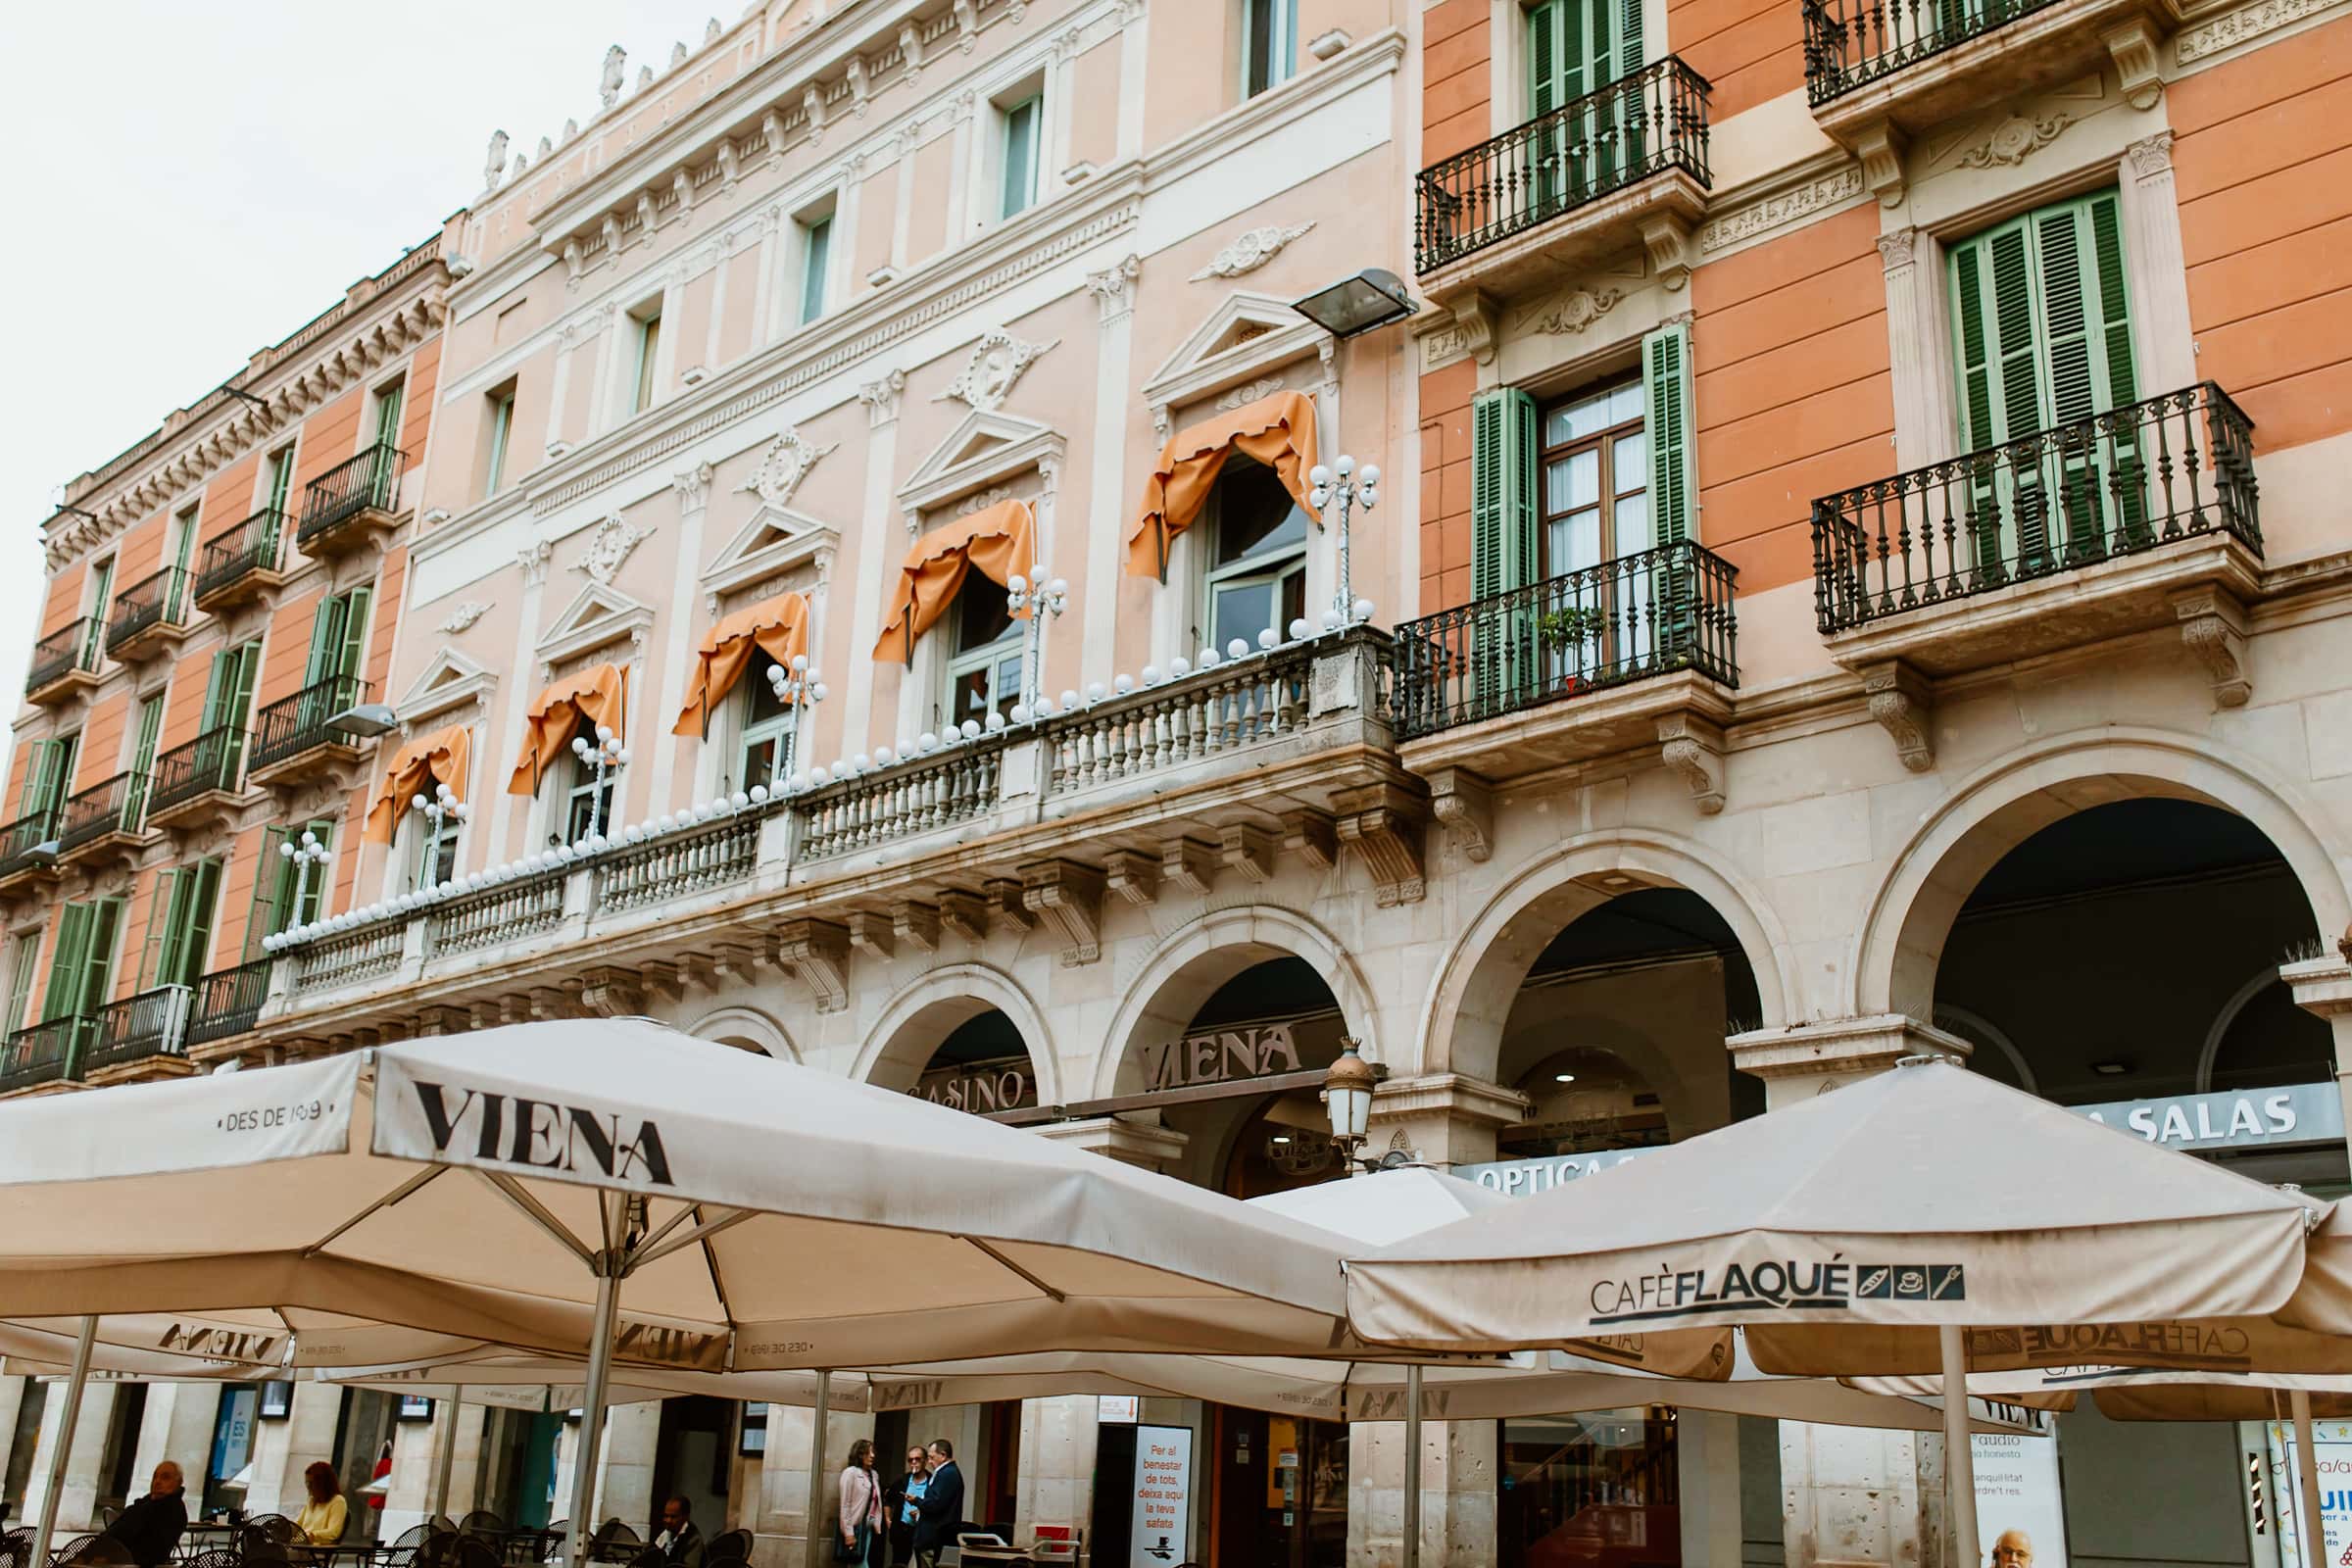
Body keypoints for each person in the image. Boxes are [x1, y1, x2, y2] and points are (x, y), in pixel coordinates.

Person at [101, 1461, 187, 1568]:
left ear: (178, 1483)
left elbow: (147, 1552)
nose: (157, 1482)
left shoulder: (172, 1510)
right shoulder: (145, 1503)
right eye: (155, 1477)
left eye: (165, 1477)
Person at [910, 1440, 962, 1568]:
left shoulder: (947, 1474)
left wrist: (917, 1501)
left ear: (943, 1455)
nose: (929, 1461)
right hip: (934, 1537)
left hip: (934, 1537)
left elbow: (935, 1504)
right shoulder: (947, 1472)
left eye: (932, 1457)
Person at [837, 1440, 884, 1567]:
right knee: (860, 1563)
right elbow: (845, 1505)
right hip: (856, 1526)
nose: (872, 1455)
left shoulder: (874, 1474)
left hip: (869, 1526)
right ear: (859, 1455)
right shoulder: (850, 1473)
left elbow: (876, 1501)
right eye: (868, 1453)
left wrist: (877, 1523)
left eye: (873, 1452)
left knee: (859, 1562)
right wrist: (848, 1533)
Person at [883, 1446, 927, 1568]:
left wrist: (920, 1511)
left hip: (922, 1532)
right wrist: (887, 1519)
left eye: (917, 1459)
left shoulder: (932, 1482)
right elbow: (887, 1499)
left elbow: (934, 1505)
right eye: (910, 1460)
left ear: (925, 1461)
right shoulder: (903, 1481)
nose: (913, 1462)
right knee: (899, 1564)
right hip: (902, 1531)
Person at [296, 1461, 347, 1546]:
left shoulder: (338, 1501)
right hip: (302, 1547)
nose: (308, 1487)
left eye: (312, 1483)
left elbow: (333, 1532)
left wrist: (312, 1536)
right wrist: (284, 1527)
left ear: (323, 1484)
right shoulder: (311, 1500)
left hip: (316, 1550)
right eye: (307, 1482)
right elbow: (298, 1525)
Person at [654, 1496, 705, 1568]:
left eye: (673, 1517)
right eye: (666, 1516)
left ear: (686, 1517)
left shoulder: (693, 1539)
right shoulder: (666, 1533)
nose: (668, 1521)